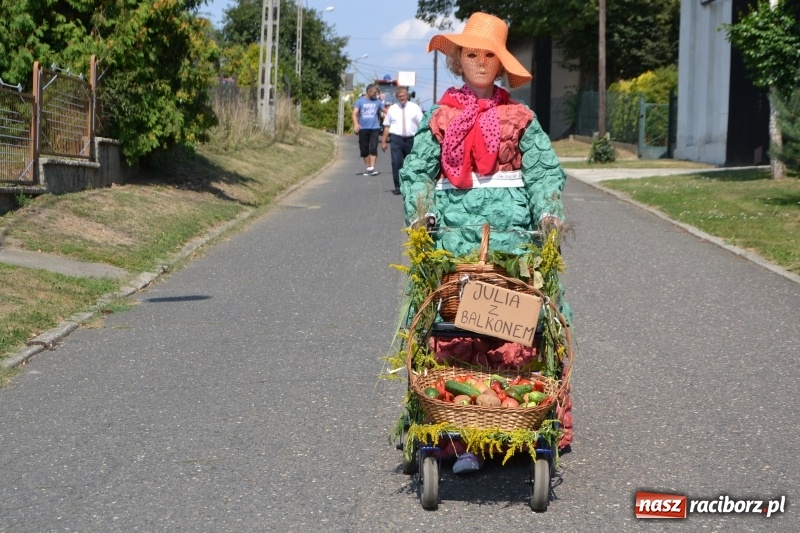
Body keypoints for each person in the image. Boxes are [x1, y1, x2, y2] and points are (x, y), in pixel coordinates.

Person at [398, 12, 572, 472]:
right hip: (455, 239)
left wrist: (549, 212)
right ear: (458, 59)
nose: (479, 63)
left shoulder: (520, 117)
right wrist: (421, 215)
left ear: (500, 64)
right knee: (455, 322)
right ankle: (457, 433)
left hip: (512, 240)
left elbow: (542, 172)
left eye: (488, 56)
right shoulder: (441, 116)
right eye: (470, 54)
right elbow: (417, 173)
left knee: (516, 318)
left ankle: (519, 423)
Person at [381, 86, 423, 195]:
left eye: (404, 96)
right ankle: (398, 186)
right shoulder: (393, 109)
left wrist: (422, 139)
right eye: (400, 96)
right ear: (397, 97)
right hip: (396, 138)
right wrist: (384, 141)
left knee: (412, 163)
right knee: (396, 162)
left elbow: (421, 124)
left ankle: (412, 185)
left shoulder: (415, 108)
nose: (402, 98)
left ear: (407, 96)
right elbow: (386, 126)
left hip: (411, 139)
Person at [352, 84, 383, 176]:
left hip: (375, 128)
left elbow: (385, 110)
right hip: (363, 128)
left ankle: (372, 168)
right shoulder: (360, 101)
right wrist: (356, 124)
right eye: (374, 92)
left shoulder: (378, 102)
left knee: (373, 148)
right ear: (369, 91)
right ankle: (368, 167)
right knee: (364, 149)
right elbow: (354, 113)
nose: (375, 94)